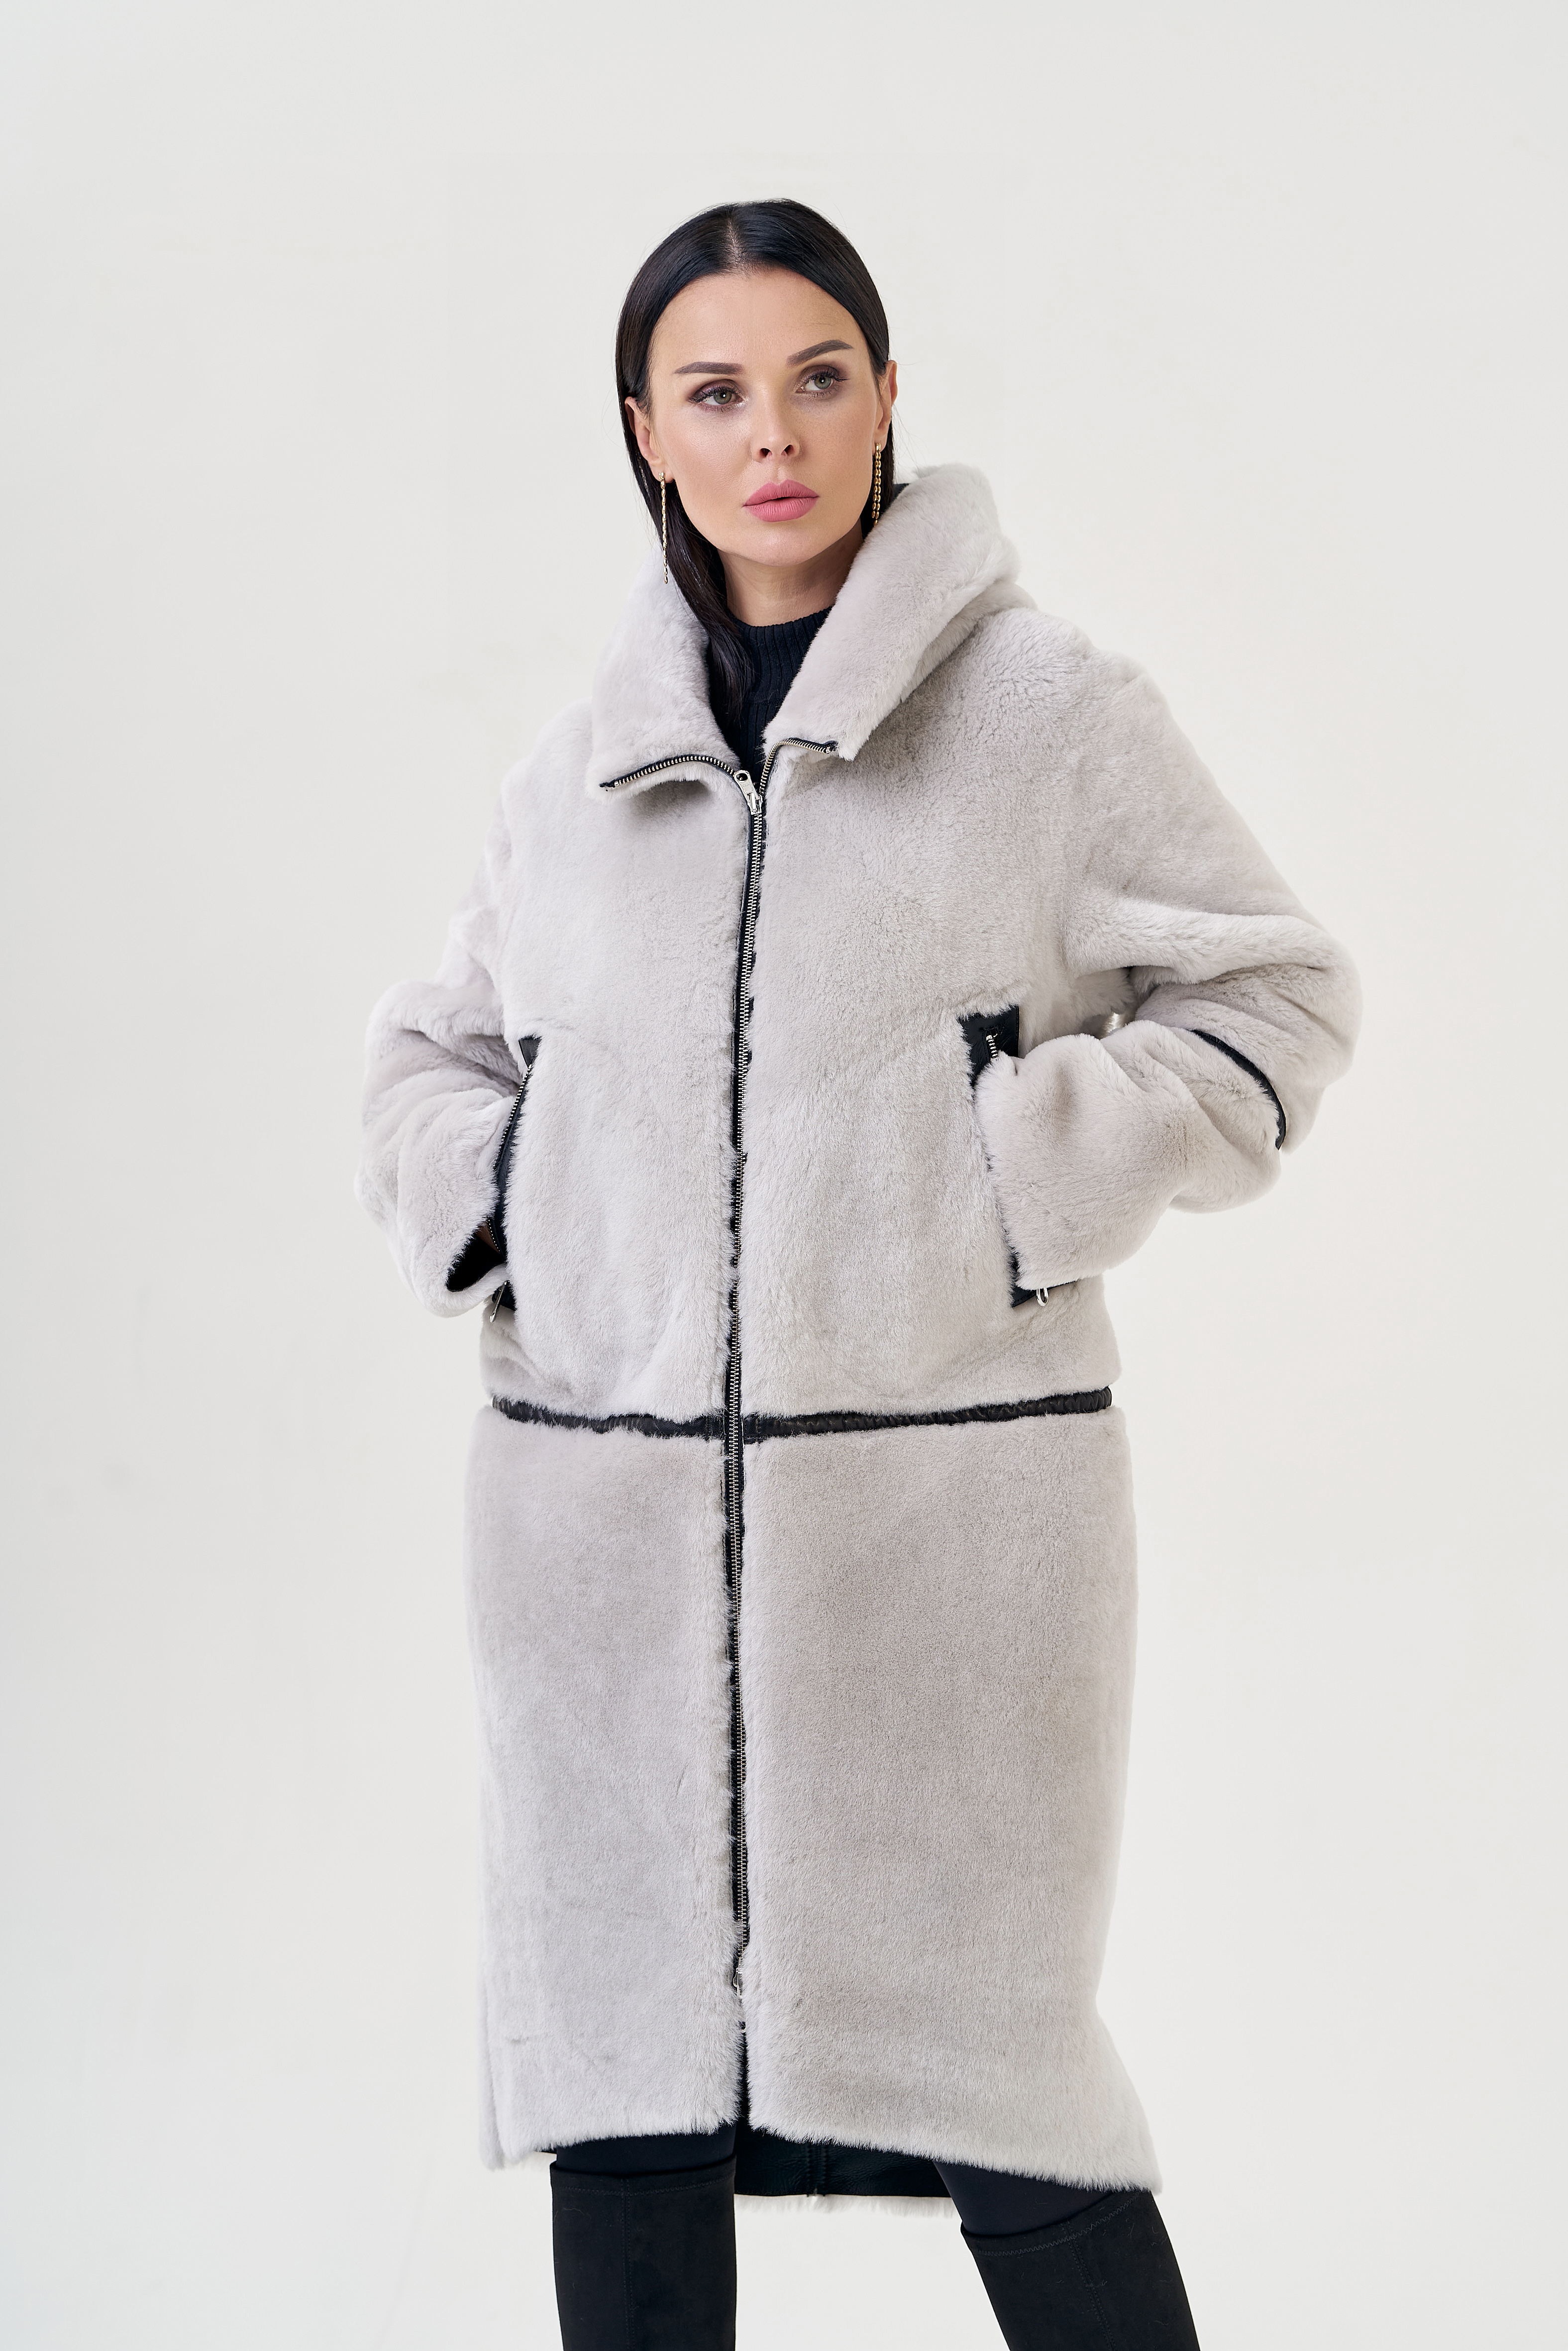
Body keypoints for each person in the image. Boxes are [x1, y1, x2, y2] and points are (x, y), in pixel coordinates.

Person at [357, 199, 1359, 2350]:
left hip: (944, 1548)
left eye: (818, 378)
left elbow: (1276, 999)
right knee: (627, 2109)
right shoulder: (581, 763)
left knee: (1014, 2108)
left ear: (887, 395)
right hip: (600, 1564)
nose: (774, 435)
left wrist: (1010, 1174)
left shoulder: (1044, 712)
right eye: (714, 392)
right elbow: (428, 1053)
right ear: (646, 430)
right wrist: (521, 1190)